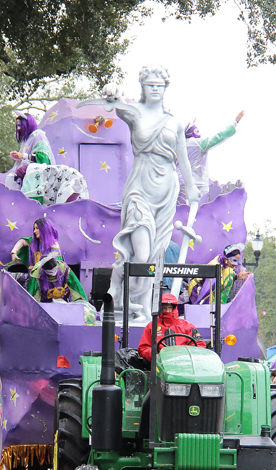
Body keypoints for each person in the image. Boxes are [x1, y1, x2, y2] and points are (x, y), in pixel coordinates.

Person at [78, 65, 200, 322]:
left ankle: (142, 309)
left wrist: (193, 191)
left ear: (165, 88)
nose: (155, 89)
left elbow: (183, 160)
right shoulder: (135, 113)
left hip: (166, 192)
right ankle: (120, 297)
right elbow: (115, 103)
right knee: (140, 254)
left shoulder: (174, 122)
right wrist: (112, 92)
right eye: (150, 84)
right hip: (140, 189)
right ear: (142, 87)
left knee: (155, 256)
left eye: (160, 85)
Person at [177, 111, 243, 203]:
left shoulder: (177, 147)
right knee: (195, 214)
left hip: (178, 186)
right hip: (195, 186)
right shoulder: (199, 144)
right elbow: (218, 137)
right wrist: (234, 124)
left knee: (178, 213)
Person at [137, 293, 206, 362]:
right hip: (160, 363)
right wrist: (155, 356)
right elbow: (144, 347)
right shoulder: (152, 326)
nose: (167, 311)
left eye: (170, 308)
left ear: (174, 308)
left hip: (184, 362)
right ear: (160, 309)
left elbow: (199, 345)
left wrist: (186, 356)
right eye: (164, 308)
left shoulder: (187, 326)